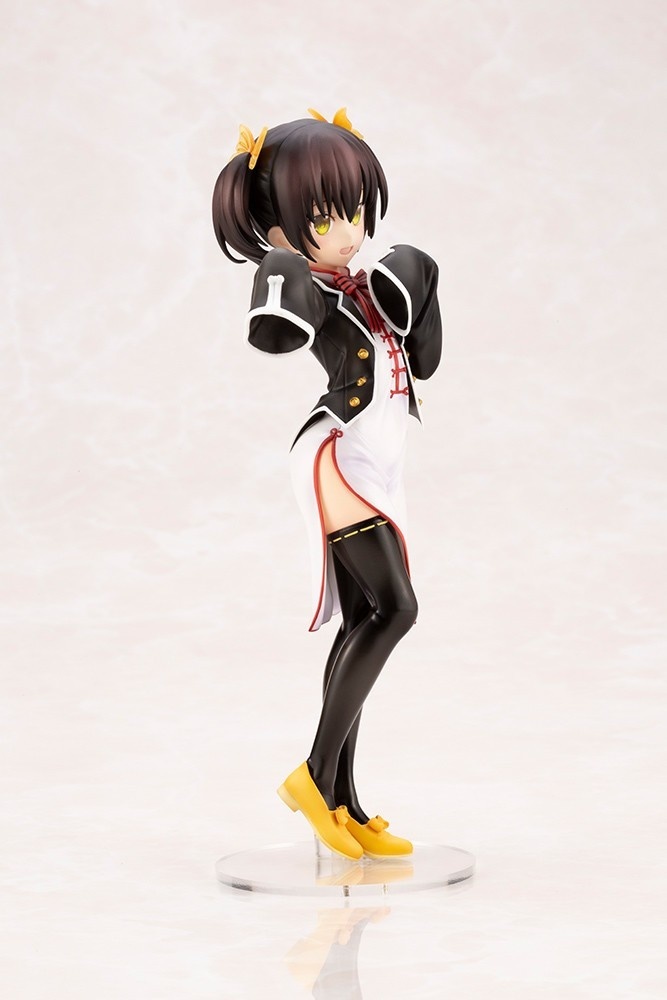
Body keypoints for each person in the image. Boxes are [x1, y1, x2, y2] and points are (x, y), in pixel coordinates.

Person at [212, 108, 442, 860]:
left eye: (354, 210)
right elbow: (280, 324)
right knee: (396, 609)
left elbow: (423, 357)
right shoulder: (308, 281)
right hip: (338, 452)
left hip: (382, 456)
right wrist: (280, 265)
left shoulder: (375, 283)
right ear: (283, 229)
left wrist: (421, 282)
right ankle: (314, 776)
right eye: (322, 218)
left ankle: (342, 801)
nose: (347, 231)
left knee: (365, 617)